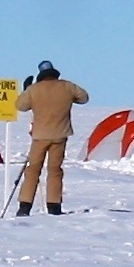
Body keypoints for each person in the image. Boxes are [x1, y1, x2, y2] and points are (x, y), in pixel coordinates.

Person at [15, 60, 86, 215]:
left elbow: (20, 106)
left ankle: (25, 206)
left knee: (33, 170)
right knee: (55, 170)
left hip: (40, 136)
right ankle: (54, 206)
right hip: (60, 134)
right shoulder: (68, 86)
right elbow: (84, 98)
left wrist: (26, 90)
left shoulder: (34, 89)